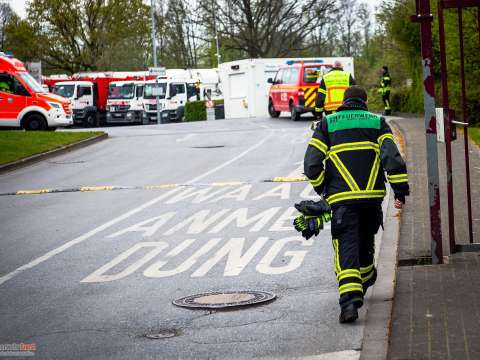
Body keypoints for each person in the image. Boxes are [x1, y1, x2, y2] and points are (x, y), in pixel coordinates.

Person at [300, 85, 409, 323]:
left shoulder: (328, 124)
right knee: (366, 241)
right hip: (371, 198)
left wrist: (323, 190)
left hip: (342, 200)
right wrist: (400, 191)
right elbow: (392, 157)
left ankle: (349, 303)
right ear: (366, 101)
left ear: (344, 101)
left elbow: (311, 164)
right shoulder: (377, 122)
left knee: (347, 246)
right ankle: (366, 277)